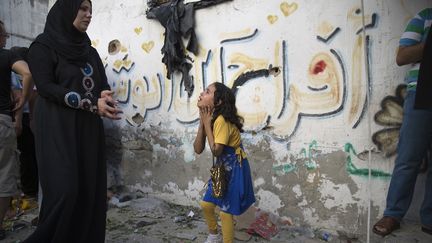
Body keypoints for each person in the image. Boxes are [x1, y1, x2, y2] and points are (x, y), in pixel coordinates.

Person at [24, 0, 121, 242]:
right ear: (67, 10)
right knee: (65, 191)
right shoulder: (42, 47)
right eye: (82, 9)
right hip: (56, 127)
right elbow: (46, 87)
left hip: (88, 129)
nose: (88, 15)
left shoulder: (90, 52)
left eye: (91, 10)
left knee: (91, 191)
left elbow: (102, 86)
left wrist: (105, 97)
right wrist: (91, 103)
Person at [373, 8, 432, 237]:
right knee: (408, 157)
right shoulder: (425, 16)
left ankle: (429, 218)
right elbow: (402, 56)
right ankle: (393, 214)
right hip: (422, 92)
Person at [193, 82, 255, 243]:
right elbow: (198, 149)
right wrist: (202, 123)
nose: (201, 92)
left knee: (225, 212)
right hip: (223, 169)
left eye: (207, 91)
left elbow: (216, 150)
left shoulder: (221, 120)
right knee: (207, 204)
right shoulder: (212, 119)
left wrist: (207, 123)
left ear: (218, 102)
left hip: (235, 169)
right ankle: (214, 235)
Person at [0, 20, 33, 240]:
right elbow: (27, 74)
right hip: (1, 122)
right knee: (4, 176)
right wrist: (22, 101)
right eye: (4, 33)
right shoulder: (7, 56)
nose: (7, 37)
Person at [10, 46, 39, 198]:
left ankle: (29, 189)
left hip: (22, 116)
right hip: (24, 116)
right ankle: (29, 188)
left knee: (26, 155)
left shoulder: (20, 73)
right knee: (28, 155)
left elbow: (32, 95)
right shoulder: (24, 72)